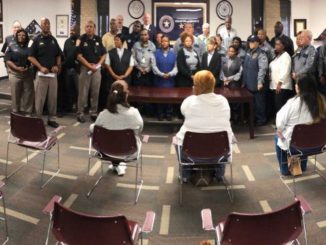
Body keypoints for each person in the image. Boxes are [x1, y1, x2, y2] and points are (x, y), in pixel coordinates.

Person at [176, 70, 234, 181]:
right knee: (225, 136)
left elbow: (183, 113)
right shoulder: (223, 100)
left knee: (177, 139)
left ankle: (185, 175)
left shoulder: (189, 101)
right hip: (220, 152)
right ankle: (219, 174)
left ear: (197, 87)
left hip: (191, 153)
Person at [275, 74, 326, 176]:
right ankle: (302, 166)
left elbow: (279, 124)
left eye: (296, 84)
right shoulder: (322, 101)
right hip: (320, 144)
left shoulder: (292, 103)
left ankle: (284, 169)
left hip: (295, 146)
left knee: (278, 136)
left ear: (299, 87)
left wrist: (280, 131)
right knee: (307, 134)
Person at [90, 80, 144, 176]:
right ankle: (118, 164)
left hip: (105, 151)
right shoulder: (134, 113)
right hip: (129, 151)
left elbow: (94, 130)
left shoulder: (103, 114)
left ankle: (116, 164)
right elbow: (140, 129)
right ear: (126, 95)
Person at [28, 18, 62, 128]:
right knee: (39, 99)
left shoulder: (53, 40)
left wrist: (57, 66)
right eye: (44, 24)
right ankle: (38, 120)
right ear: (41, 26)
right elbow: (30, 57)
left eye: (48, 23)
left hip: (53, 75)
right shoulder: (36, 40)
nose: (47, 25)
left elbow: (58, 55)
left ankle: (52, 119)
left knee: (53, 98)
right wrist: (40, 67)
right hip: (41, 75)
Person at [76, 20, 106, 123]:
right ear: (85, 28)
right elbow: (79, 56)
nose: (89, 28)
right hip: (85, 69)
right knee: (83, 92)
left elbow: (104, 55)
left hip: (96, 69)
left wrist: (97, 65)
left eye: (91, 26)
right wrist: (89, 66)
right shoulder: (81, 39)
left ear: (94, 28)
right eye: (87, 26)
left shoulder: (98, 39)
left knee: (95, 92)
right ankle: (80, 113)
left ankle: (93, 112)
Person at [5, 29, 34, 114]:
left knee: (28, 94)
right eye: (19, 35)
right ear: (16, 36)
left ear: (26, 37)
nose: (21, 37)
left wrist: (30, 67)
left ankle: (27, 113)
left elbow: (33, 58)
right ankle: (15, 113)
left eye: (23, 35)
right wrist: (17, 68)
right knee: (15, 95)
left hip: (27, 74)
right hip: (15, 74)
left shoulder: (30, 47)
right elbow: (7, 60)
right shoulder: (11, 46)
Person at [242, 35, 268, 126]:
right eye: (250, 42)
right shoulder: (248, 52)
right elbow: (245, 67)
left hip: (257, 83)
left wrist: (260, 82)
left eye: (253, 42)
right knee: (252, 104)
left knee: (259, 103)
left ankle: (261, 120)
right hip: (249, 82)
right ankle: (253, 119)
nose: (251, 44)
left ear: (257, 43)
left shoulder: (261, 53)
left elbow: (262, 69)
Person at [152, 35, 177, 120]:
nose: (164, 43)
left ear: (169, 42)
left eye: (166, 41)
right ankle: (160, 114)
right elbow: (154, 66)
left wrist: (170, 74)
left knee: (170, 98)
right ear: (160, 42)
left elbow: (176, 67)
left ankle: (169, 114)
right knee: (159, 98)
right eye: (163, 41)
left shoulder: (173, 53)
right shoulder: (156, 53)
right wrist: (161, 74)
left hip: (170, 80)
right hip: (159, 80)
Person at [269, 37, 293, 113]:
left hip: (282, 86)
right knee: (277, 105)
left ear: (283, 46)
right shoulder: (278, 56)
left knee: (280, 106)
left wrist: (279, 83)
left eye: (279, 44)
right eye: (276, 44)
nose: (276, 46)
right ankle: (278, 122)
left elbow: (285, 71)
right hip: (275, 85)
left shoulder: (286, 56)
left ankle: (281, 123)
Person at [221, 45, 243, 123]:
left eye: (232, 51)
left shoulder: (239, 61)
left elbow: (239, 73)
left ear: (236, 52)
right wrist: (223, 78)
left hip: (235, 84)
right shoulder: (224, 59)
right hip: (225, 84)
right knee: (226, 102)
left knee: (235, 102)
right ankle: (228, 118)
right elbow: (221, 70)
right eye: (229, 51)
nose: (230, 52)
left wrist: (229, 79)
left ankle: (236, 119)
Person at [61, 24, 80, 114]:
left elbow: (77, 55)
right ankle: (69, 107)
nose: (71, 32)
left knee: (78, 90)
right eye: (71, 30)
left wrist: (76, 46)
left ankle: (78, 108)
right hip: (68, 69)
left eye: (73, 30)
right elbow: (65, 55)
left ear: (78, 30)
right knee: (68, 89)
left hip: (77, 70)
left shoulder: (80, 41)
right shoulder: (67, 41)